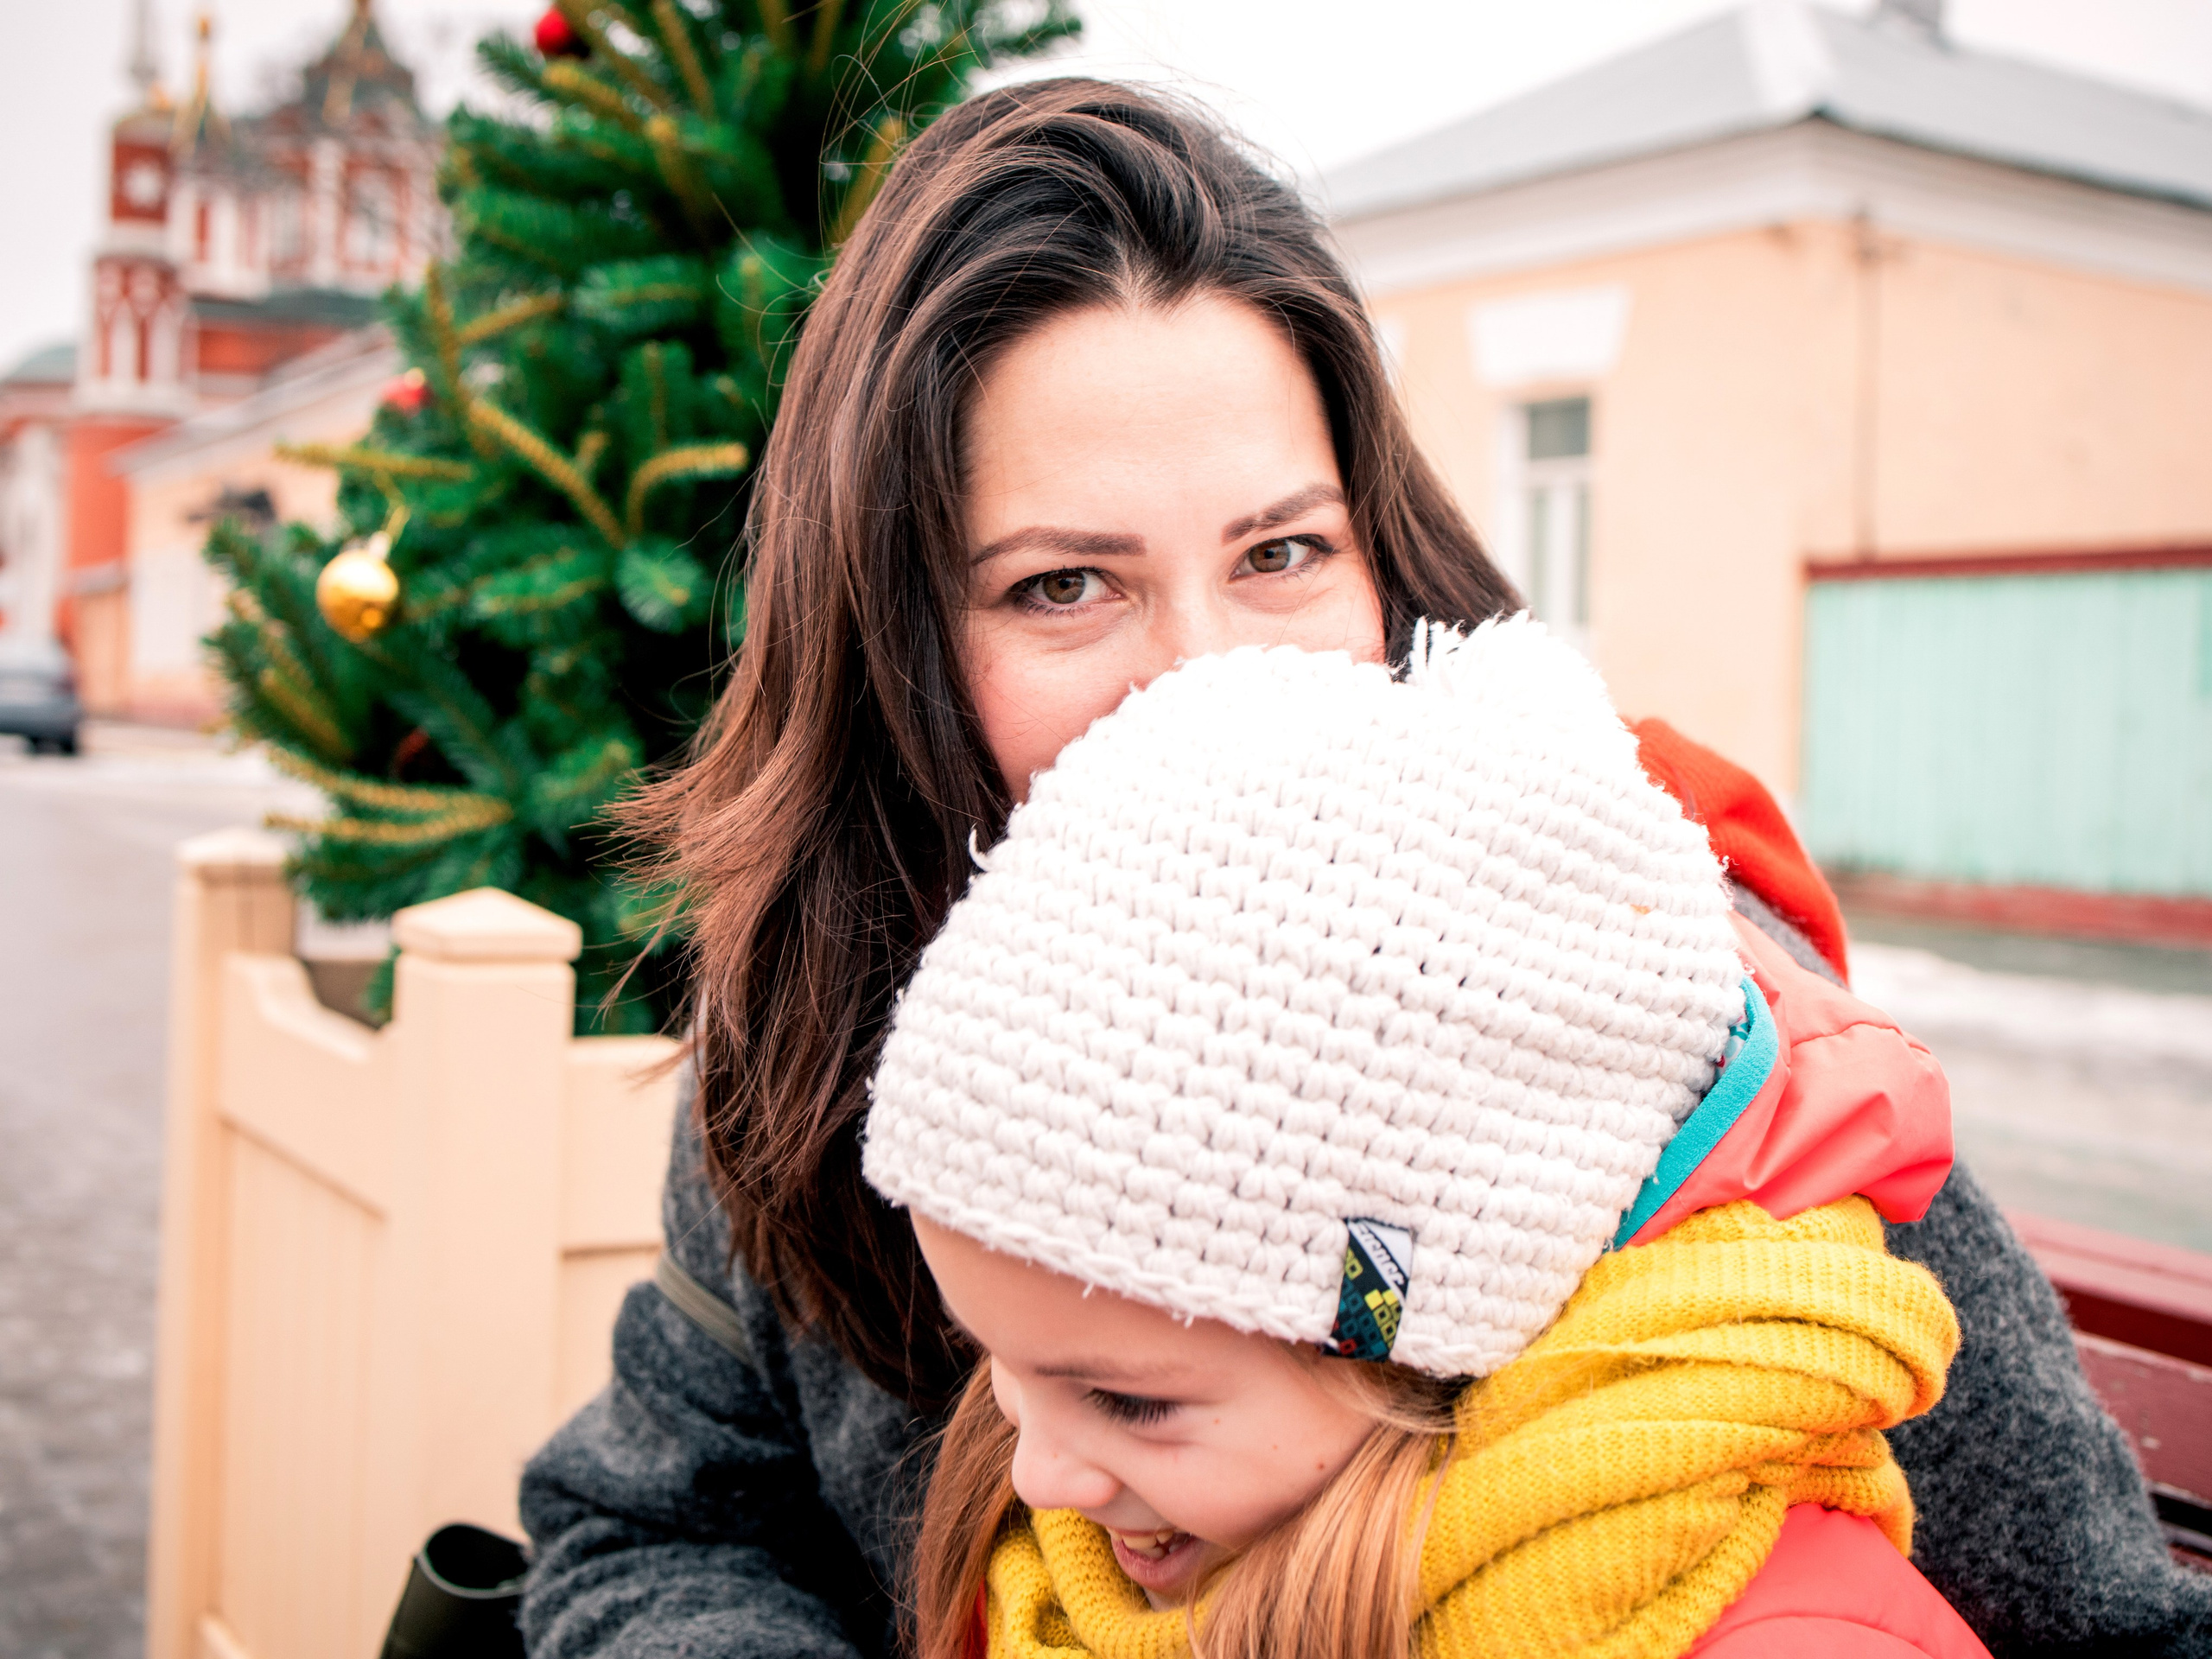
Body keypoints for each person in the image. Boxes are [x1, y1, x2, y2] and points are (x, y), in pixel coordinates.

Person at [518, 78, 2212, 1657]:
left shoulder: (1655, 1007)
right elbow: (660, 1523)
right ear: (885, 641)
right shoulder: (830, 1016)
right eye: (1060, 586)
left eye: (1279, 553)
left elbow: (2094, 1626)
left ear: (1380, 555)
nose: (1208, 675)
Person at [868, 617, 1985, 1658]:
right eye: (1001, 1365)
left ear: (1401, 1328)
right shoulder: (1099, 1560)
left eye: (1128, 1403)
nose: (1039, 1475)